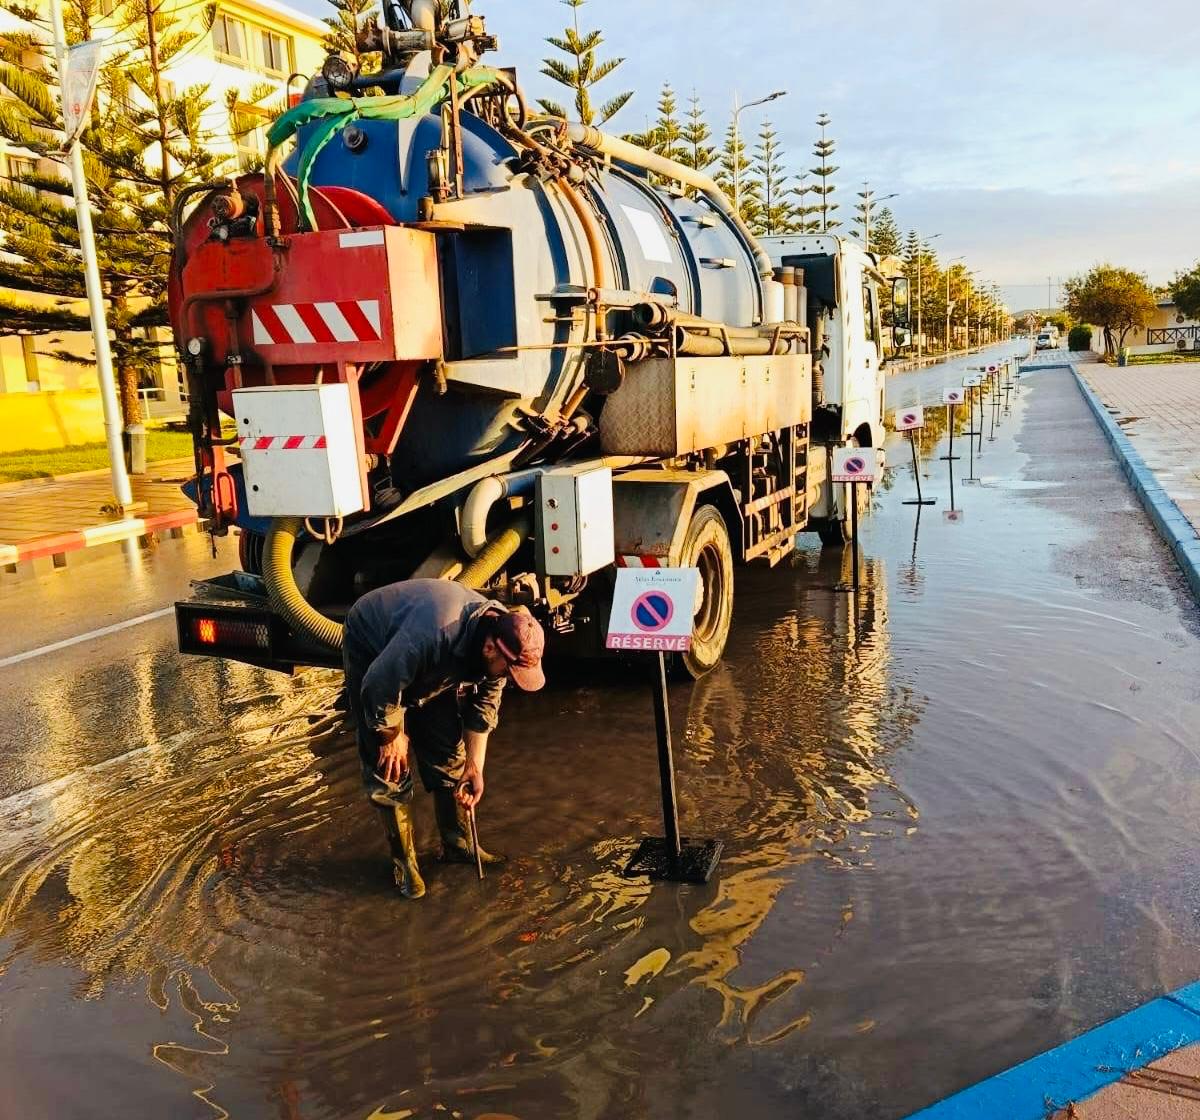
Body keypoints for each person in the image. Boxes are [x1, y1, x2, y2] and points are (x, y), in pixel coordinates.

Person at [342, 579, 546, 898]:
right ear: (489, 648)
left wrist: (475, 768)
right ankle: (405, 864)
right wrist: (390, 733)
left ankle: (458, 845)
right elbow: (377, 684)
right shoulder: (433, 635)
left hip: (434, 664)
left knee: (450, 754)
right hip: (376, 647)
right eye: (508, 672)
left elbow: (483, 709)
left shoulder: (502, 642)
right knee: (390, 766)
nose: (509, 679)